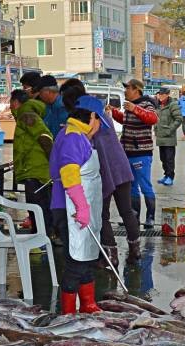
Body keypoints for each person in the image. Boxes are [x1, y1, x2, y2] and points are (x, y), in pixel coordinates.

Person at [60, 80, 142, 263]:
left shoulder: (84, 119)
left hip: (103, 170)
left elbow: (85, 146)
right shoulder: (101, 113)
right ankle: (135, 249)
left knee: (101, 214)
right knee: (126, 211)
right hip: (120, 166)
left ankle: (111, 256)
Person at [51, 98, 105, 315]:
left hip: (81, 209)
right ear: (92, 117)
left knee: (87, 257)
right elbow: (69, 174)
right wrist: (81, 207)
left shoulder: (80, 137)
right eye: (99, 121)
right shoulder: (72, 137)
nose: (99, 127)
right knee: (76, 261)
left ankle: (88, 304)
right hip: (70, 209)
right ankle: (68, 313)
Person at [110, 79, 159, 228]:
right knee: (131, 186)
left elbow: (153, 119)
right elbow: (125, 120)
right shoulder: (130, 105)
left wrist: (135, 109)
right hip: (128, 153)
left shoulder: (146, 104)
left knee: (145, 185)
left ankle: (150, 217)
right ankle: (134, 216)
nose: (125, 91)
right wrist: (113, 112)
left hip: (141, 153)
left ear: (136, 90)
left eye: (128, 88)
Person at [10, 89, 55, 242]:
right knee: (38, 205)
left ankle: (42, 238)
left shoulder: (26, 115)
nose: (10, 107)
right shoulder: (25, 115)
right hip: (33, 169)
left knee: (37, 206)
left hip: (35, 170)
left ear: (16, 102)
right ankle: (42, 236)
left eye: (11, 103)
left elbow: (44, 136)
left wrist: (53, 161)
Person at [154, 88, 180, 186]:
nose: (160, 96)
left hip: (169, 138)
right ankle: (166, 175)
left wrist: (170, 130)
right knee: (163, 158)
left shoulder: (172, 105)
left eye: (163, 94)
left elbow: (179, 119)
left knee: (169, 159)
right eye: (159, 94)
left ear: (168, 94)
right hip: (160, 137)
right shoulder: (158, 105)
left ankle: (170, 177)